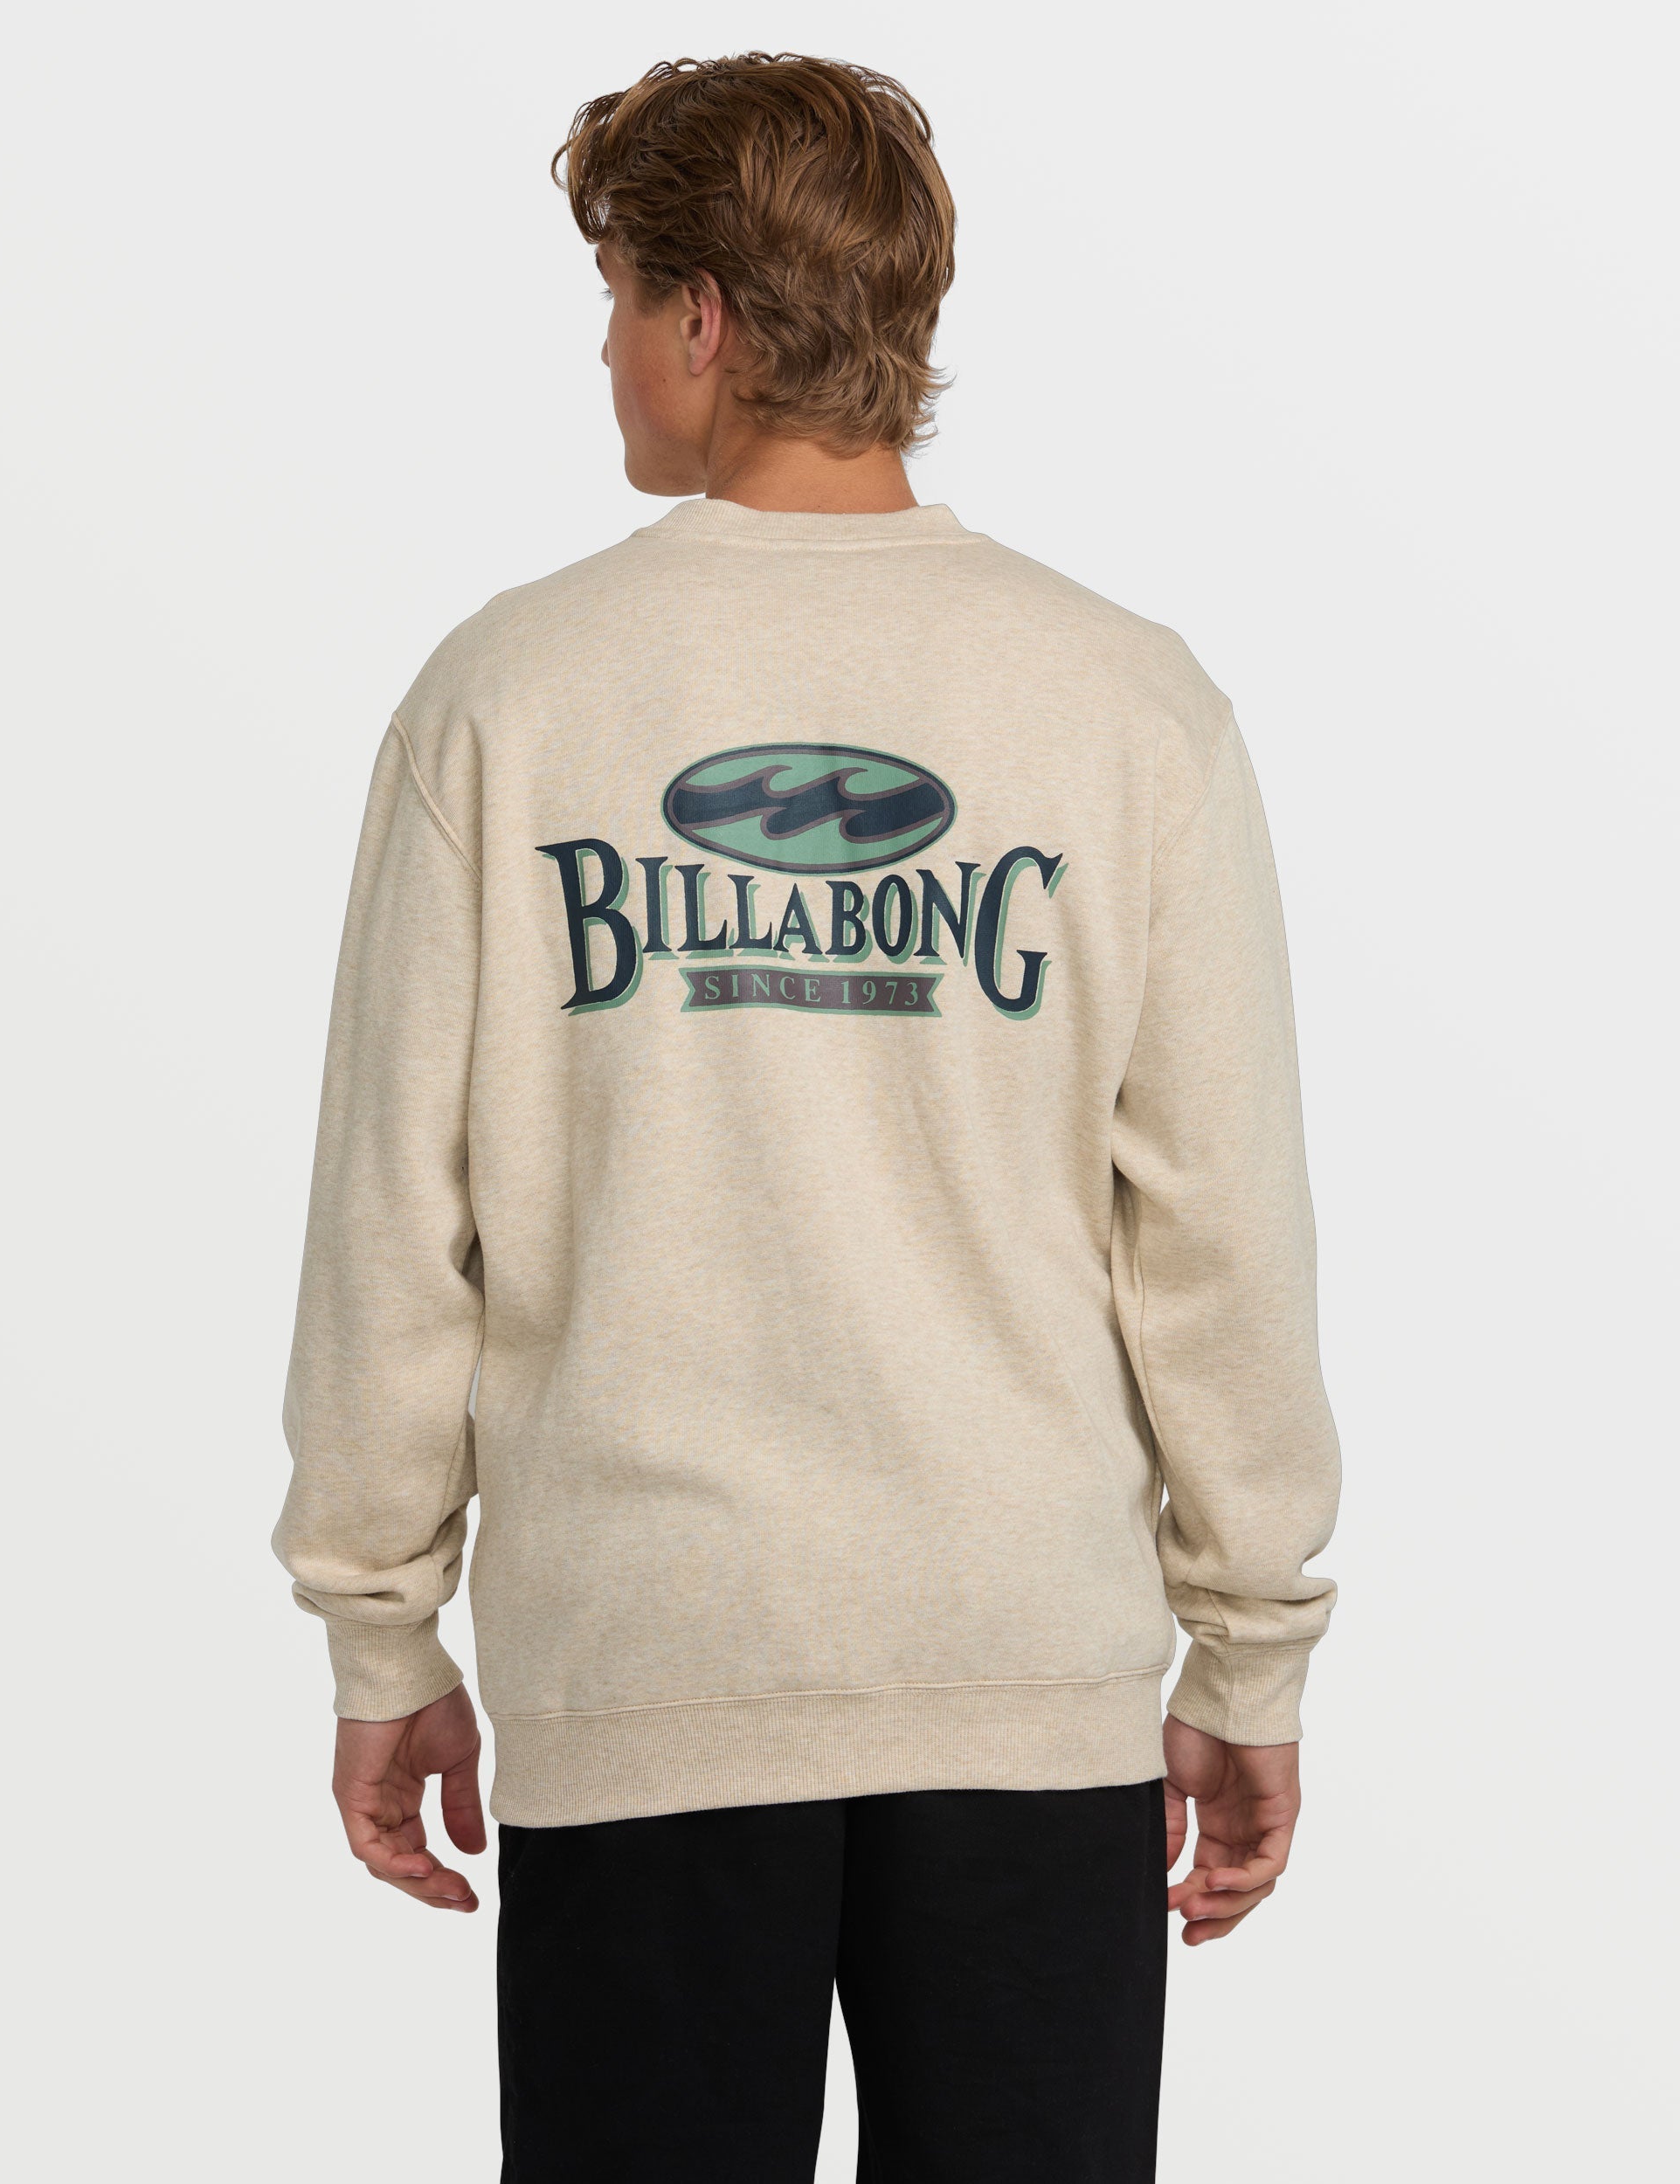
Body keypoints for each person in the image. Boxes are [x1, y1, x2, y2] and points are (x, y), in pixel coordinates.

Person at [274, 51, 1340, 2183]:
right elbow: (1217, 1234)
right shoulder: (1126, 704)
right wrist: (1249, 1651)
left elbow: (397, 1215)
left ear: (703, 320)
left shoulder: (509, 696)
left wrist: (382, 1626)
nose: (602, 351)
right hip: (1019, 1679)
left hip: (649, 1675)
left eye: (611, 297)